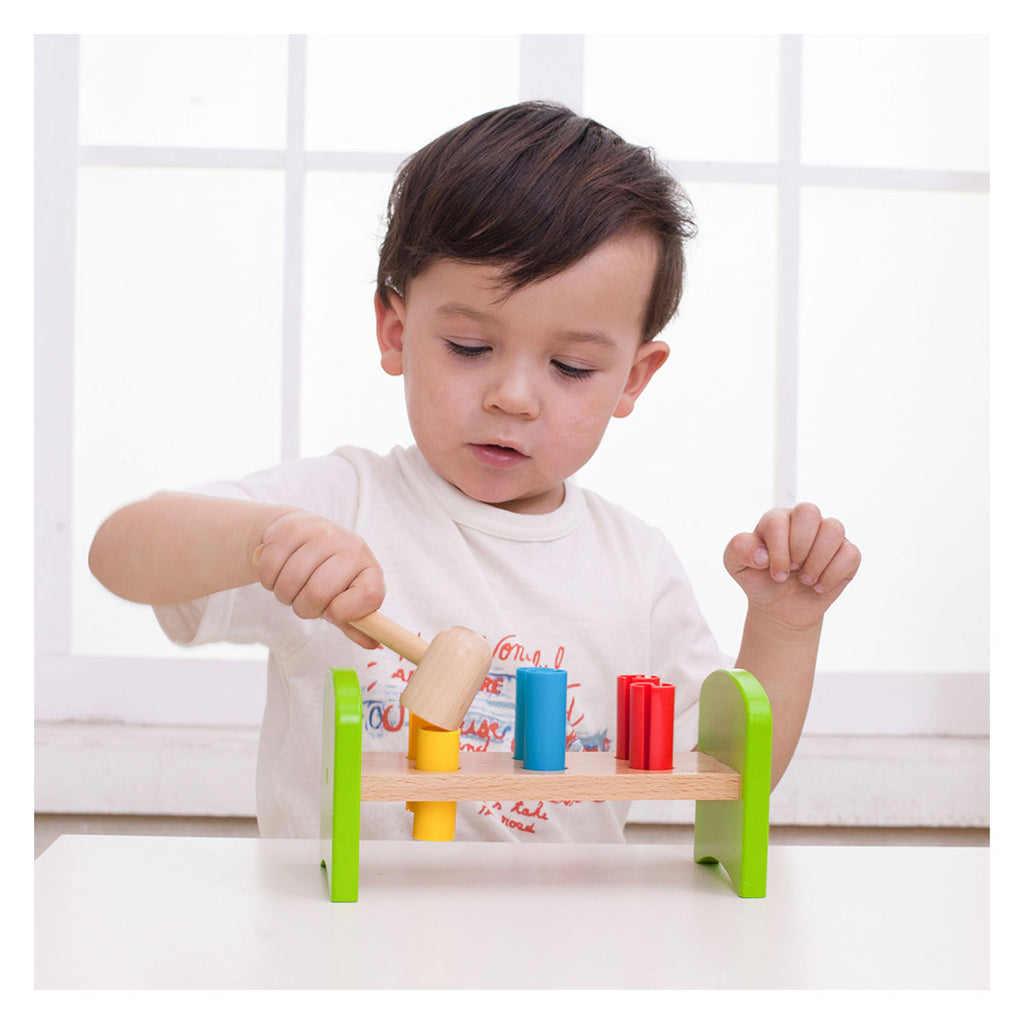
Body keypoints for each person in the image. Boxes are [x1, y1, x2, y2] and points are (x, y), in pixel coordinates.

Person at [89, 101, 860, 842]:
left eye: (571, 366)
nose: (512, 397)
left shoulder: (635, 566)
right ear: (396, 331)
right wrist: (262, 539)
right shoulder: (338, 508)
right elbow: (117, 552)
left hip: (563, 931)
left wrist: (786, 628)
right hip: (343, 925)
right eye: (469, 348)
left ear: (633, 378)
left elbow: (740, 774)